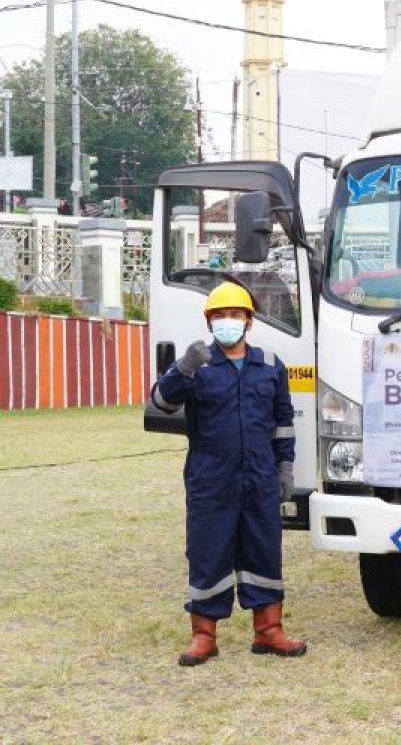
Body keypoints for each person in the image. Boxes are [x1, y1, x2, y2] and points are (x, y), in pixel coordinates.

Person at [148, 281, 306, 666]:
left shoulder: (270, 365)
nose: (228, 322)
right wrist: (183, 368)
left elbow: (283, 422)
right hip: (211, 480)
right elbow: (160, 403)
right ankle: (204, 635)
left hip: (259, 479)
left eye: (235, 315)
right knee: (208, 553)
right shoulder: (196, 365)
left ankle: (268, 631)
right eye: (219, 316)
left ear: (249, 321)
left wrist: (284, 467)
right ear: (209, 322)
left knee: (263, 552)